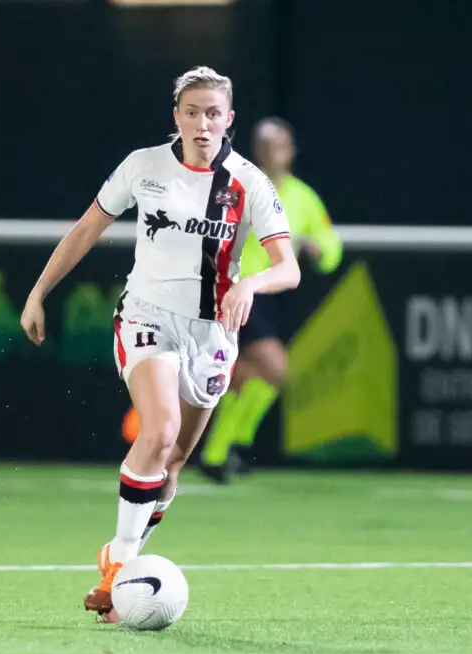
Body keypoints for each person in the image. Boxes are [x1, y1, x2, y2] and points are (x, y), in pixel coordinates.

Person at [19, 66, 301, 622]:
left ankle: (124, 564)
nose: (202, 123)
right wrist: (38, 292)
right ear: (177, 115)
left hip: (212, 335)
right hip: (147, 316)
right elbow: (85, 229)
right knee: (161, 429)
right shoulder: (143, 166)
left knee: (172, 466)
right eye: (192, 112)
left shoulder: (249, 182)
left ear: (229, 119)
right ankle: (119, 567)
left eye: (213, 113)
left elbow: (288, 267)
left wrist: (249, 283)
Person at [197, 116, 343, 483]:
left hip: (277, 296)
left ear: (290, 150)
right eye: (264, 145)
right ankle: (225, 448)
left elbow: (330, 246)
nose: (270, 152)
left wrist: (319, 251)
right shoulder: (238, 186)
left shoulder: (303, 197)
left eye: (276, 145)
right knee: (275, 368)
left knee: (246, 374)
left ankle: (222, 451)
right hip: (240, 289)